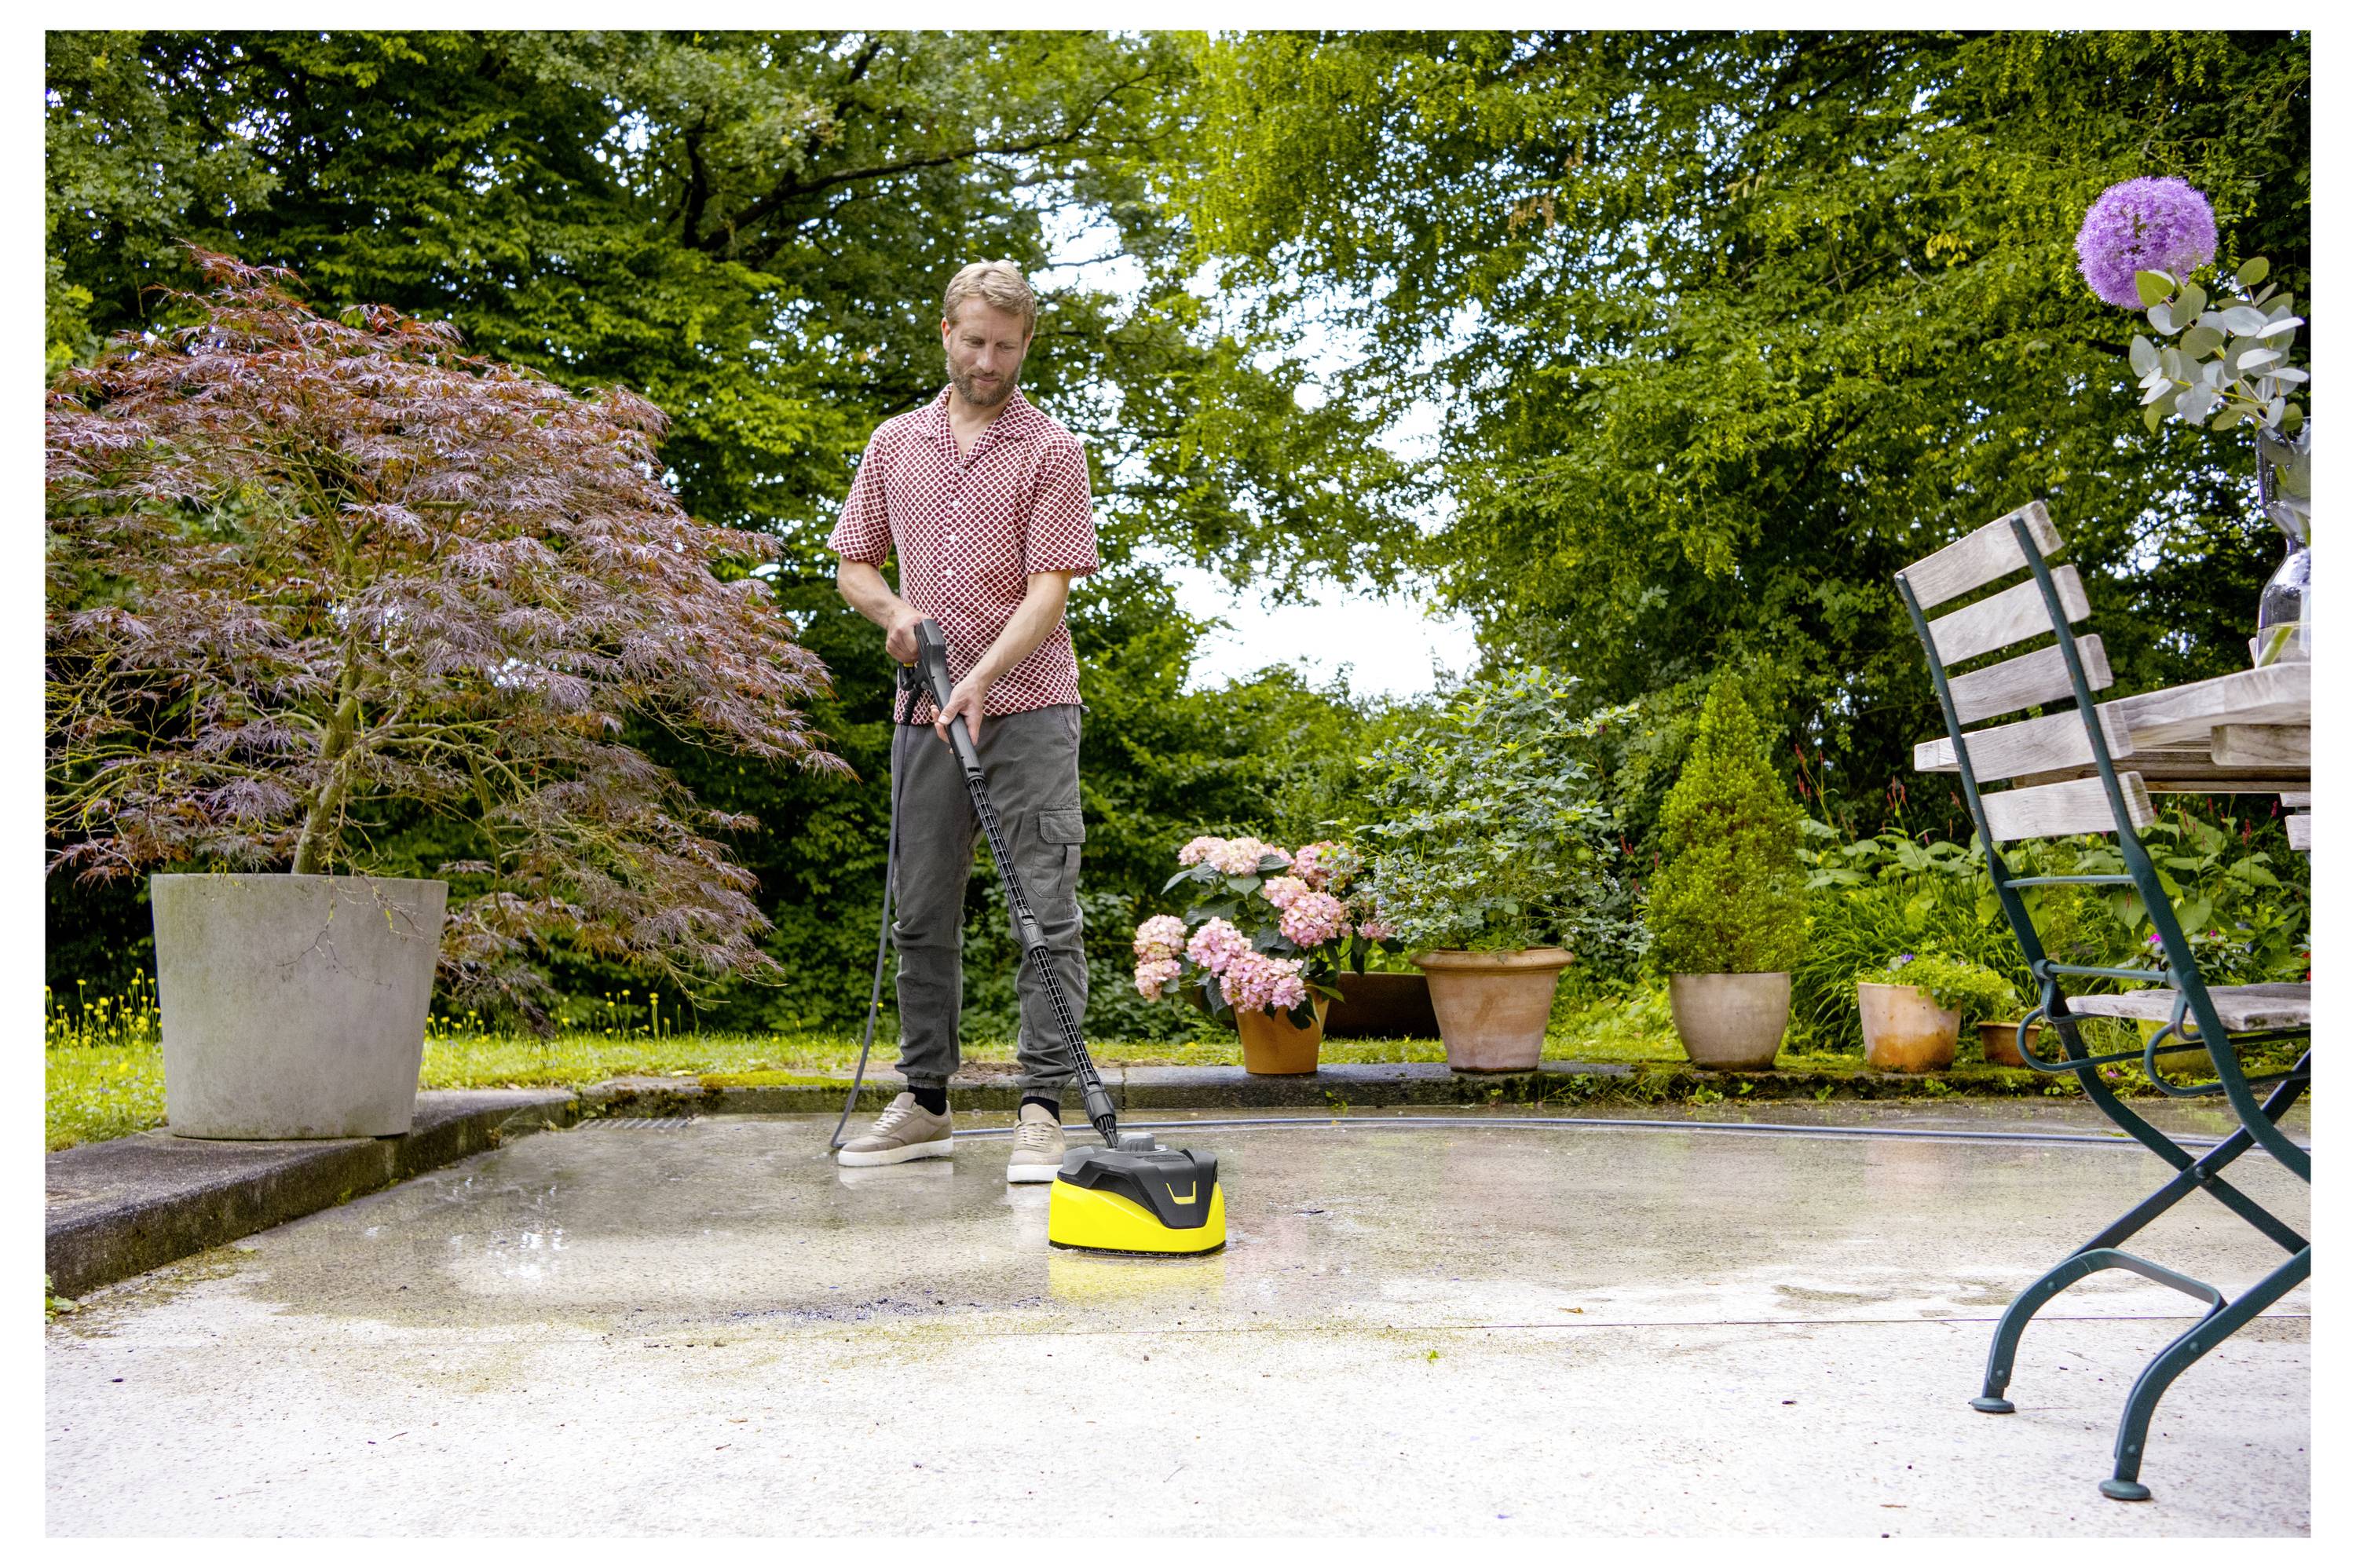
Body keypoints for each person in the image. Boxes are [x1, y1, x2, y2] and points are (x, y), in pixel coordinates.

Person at [827, 260, 1099, 1182]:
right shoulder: (894, 442)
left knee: (1044, 908)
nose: (988, 361)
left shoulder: (1051, 450)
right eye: (975, 341)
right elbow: (855, 564)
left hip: (1031, 708)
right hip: (926, 712)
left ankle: (1042, 1108)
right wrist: (895, 613)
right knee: (922, 910)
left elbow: (1050, 591)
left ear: (1027, 346)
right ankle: (925, 1102)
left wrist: (983, 672)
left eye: (1006, 347)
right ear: (946, 333)